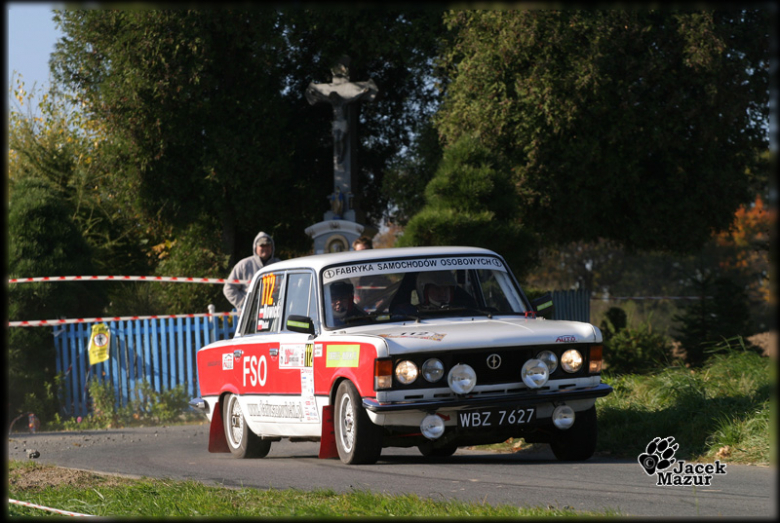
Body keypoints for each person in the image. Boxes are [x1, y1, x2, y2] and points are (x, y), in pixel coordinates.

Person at [223, 231, 281, 312]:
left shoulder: (279, 265)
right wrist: (243, 304)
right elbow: (228, 288)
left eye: (268, 245)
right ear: (255, 248)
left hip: (274, 313)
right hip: (250, 317)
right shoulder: (244, 265)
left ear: (272, 247)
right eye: (262, 245)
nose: (265, 248)